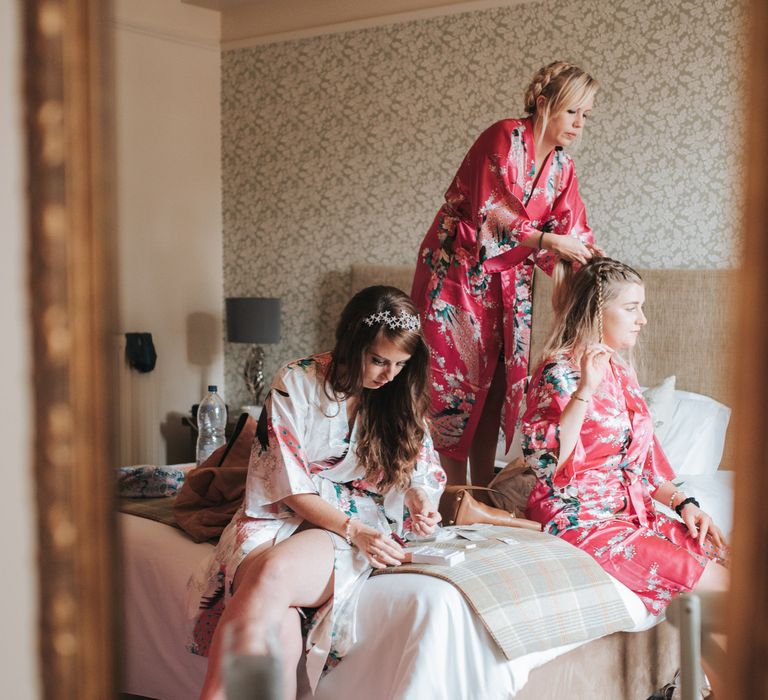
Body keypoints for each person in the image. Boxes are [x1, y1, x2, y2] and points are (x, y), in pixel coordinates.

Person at [190, 286, 446, 700]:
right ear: (351, 344)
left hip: (359, 516)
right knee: (281, 615)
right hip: (280, 512)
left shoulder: (399, 392)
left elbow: (422, 470)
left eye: (400, 363)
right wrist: (353, 531)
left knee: (271, 576)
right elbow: (287, 484)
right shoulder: (297, 379)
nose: (389, 374)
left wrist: (421, 500)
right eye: (378, 360)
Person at [411, 60, 601, 486]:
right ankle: (447, 497)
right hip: (458, 274)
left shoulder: (561, 168)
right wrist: (552, 242)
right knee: (454, 390)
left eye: (586, 115)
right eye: (572, 111)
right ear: (543, 102)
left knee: (497, 388)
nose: (579, 124)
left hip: (511, 282)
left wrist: (585, 256)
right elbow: (488, 212)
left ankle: (480, 493)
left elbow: (570, 228)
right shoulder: (505, 135)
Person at [521, 257, 728, 616]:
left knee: (734, 566)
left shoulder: (621, 372)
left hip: (633, 515)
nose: (642, 319)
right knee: (725, 589)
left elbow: (644, 468)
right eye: (631, 308)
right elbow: (547, 462)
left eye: (641, 307)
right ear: (596, 311)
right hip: (581, 521)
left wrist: (685, 504)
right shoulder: (557, 373)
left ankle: (701, 673)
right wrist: (585, 389)